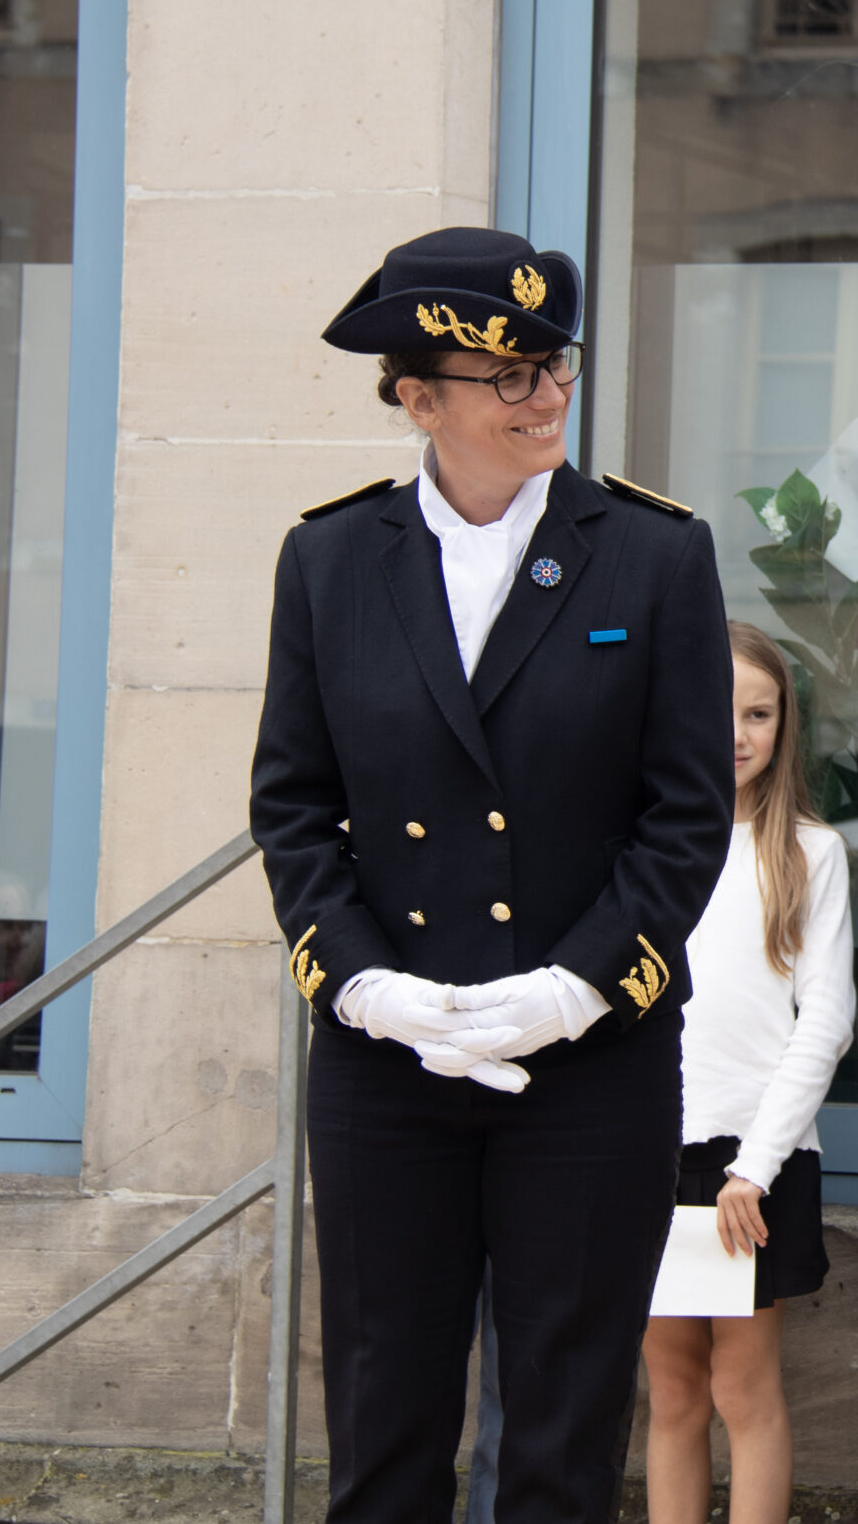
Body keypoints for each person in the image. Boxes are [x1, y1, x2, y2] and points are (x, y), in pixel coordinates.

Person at [250, 225, 734, 1524]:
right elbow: (293, 806)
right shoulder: (331, 557)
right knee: (384, 1430)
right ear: (419, 396)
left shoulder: (653, 551)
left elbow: (687, 815)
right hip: (388, 1064)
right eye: (508, 373)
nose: (546, 394)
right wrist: (362, 986)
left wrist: (576, 987)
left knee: (564, 1446)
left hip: (590, 1064)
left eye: (554, 363)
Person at [643, 623, 856, 1524]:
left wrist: (753, 1167)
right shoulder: (643, 851)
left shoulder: (810, 851)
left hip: (753, 1163)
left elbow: (827, 1022)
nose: (735, 733)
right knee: (672, 1391)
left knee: (743, 1388)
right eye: (714, 709)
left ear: (784, 724)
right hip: (648, 1154)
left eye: (757, 714)